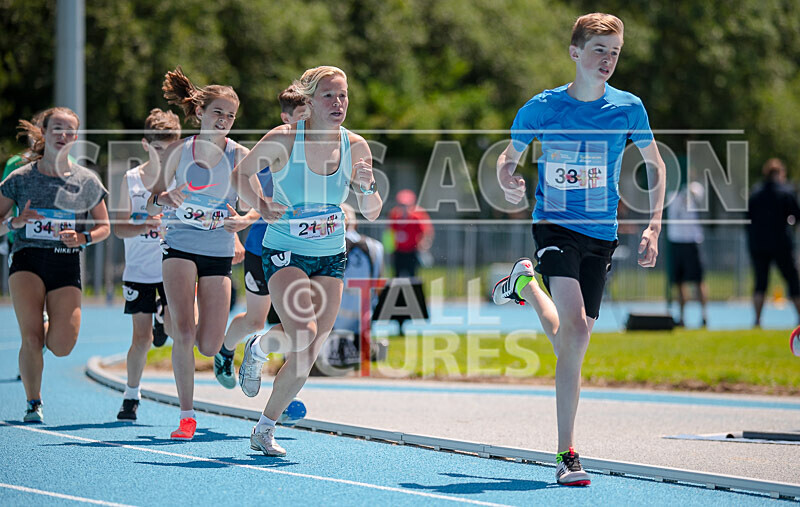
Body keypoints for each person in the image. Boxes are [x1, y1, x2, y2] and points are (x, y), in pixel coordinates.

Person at [491, 13, 665, 486]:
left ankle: (525, 286)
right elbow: (510, 155)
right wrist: (507, 177)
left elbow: (655, 165)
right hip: (554, 226)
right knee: (574, 331)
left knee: (576, 336)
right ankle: (567, 453)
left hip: (601, 234)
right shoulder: (543, 107)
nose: (608, 60)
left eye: (615, 52)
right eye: (598, 50)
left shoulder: (628, 108)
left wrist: (653, 226)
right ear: (575, 53)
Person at [231, 66, 382, 456]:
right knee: (303, 331)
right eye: (329, 95)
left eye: (343, 95)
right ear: (310, 101)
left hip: (331, 255)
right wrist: (261, 203)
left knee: (310, 349)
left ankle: (264, 428)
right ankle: (259, 348)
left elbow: (372, 212)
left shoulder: (356, 146)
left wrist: (366, 186)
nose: (338, 103)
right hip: (286, 251)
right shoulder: (284, 139)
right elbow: (240, 174)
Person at [147, 67, 250, 440]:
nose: (223, 120)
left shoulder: (240, 155)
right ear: (201, 112)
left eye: (230, 115)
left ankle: (218, 347)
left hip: (218, 249)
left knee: (208, 344)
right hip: (180, 243)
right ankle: (187, 416)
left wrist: (243, 222)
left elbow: (261, 206)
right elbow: (152, 200)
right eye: (217, 112)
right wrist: (166, 197)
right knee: (185, 333)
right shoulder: (179, 151)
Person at [0, 107, 110, 423]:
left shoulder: (86, 180)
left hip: (65, 261)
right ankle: (33, 402)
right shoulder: (20, 178)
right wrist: (14, 222)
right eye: (56, 128)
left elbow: (104, 227)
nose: (63, 135)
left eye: (69, 130)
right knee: (31, 339)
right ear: (44, 133)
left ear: (75, 137)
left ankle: (46, 323)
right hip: (27, 258)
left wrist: (83, 238)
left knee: (61, 346)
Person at [213, 86, 307, 388]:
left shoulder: (322, 154)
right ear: (285, 118)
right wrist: (245, 220)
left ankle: (287, 389)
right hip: (263, 248)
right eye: (303, 116)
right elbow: (261, 202)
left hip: (300, 250)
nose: (310, 122)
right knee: (256, 320)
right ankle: (225, 351)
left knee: (299, 323)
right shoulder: (273, 154)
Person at [112, 108, 180, 420]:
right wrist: (144, 225)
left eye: (170, 148)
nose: (164, 155)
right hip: (139, 271)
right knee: (141, 338)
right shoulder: (131, 180)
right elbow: (118, 228)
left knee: (179, 330)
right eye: (158, 148)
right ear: (145, 145)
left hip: (173, 266)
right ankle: (131, 395)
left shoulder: (181, 179)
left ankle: (163, 320)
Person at [747, 158, 800, 327]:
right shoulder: (786, 192)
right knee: (793, 280)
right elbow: (796, 216)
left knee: (760, 282)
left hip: (759, 244)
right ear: (780, 173)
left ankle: (757, 320)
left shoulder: (755, 193)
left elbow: (747, 219)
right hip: (781, 244)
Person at [666, 181, 708, 327]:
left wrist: (686, 192)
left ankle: (704, 315)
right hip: (676, 241)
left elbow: (698, 195)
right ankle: (682, 317)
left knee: (698, 281)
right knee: (679, 282)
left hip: (691, 241)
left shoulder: (693, 188)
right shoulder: (670, 193)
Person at [388, 189, 433, 278]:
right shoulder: (394, 216)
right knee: (396, 276)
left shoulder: (417, 217)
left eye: (405, 205)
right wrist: (390, 248)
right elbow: (389, 232)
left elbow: (426, 233)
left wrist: (423, 248)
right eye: (401, 205)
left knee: (413, 276)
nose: (403, 208)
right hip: (398, 251)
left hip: (412, 251)